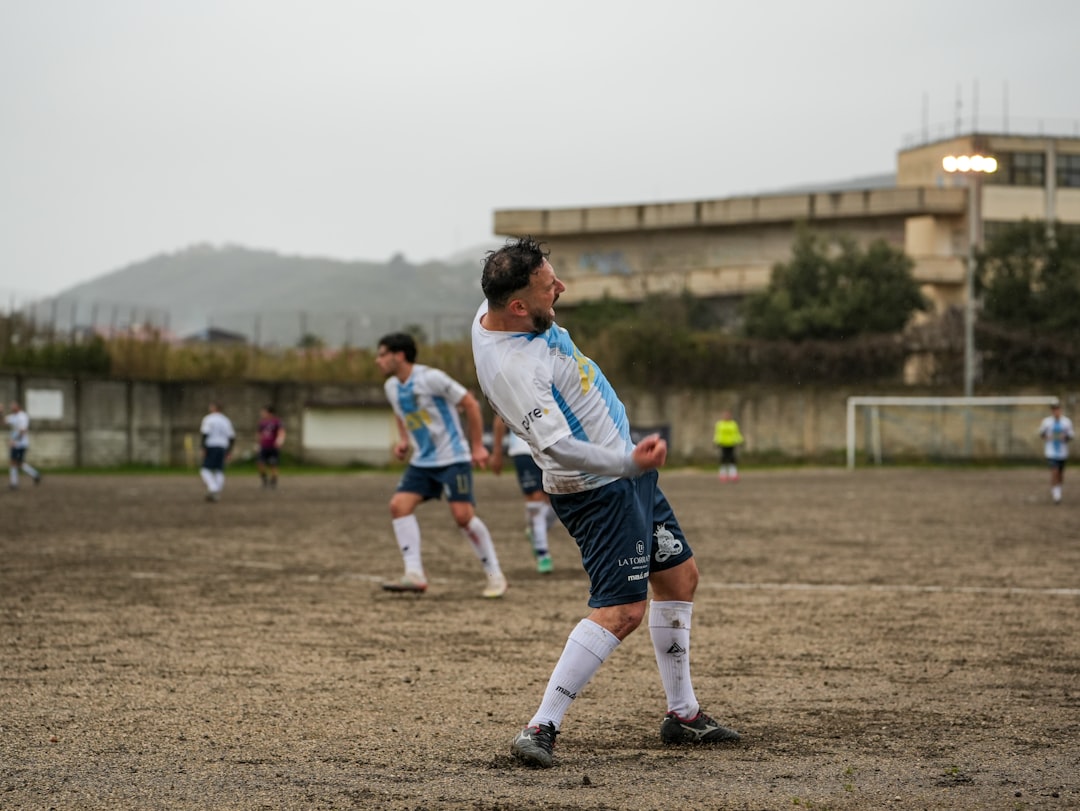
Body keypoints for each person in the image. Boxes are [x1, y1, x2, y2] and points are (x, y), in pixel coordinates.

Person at [471, 237, 739, 769]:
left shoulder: (496, 307)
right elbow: (557, 447)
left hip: (627, 474)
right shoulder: (512, 370)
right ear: (518, 305)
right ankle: (540, 726)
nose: (561, 289)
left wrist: (633, 466)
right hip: (598, 487)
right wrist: (628, 464)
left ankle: (682, 715)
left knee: (680, 578)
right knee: (621, 610)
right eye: (551, 286)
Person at [375, 332, 507, 598]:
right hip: (423, 461)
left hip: (453, 458)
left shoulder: (431, 378)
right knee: (398, 506)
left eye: (382, 354)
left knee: (463, 517)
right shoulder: (391, 387)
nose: (377, 361)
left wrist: (478, 446)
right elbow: (401, 413)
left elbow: (469, 403)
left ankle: (495, 574)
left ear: (399, 356)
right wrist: (403, 440)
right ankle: (414, 574)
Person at [491, 415, 557, 573]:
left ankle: (535, 532)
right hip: (523, 450)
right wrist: (497, 451)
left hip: (551, 445)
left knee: (555, 497)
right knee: (535, 499)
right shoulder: (511, 390)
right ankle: (543, 554)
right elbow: (499, 418)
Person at [1038, 401, 1074, 504]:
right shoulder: (1047, 422)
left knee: (1061, 474)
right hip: (1051, 452)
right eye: (1054, 409)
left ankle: (1058, 488)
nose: (1055, 411)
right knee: (1055, 471)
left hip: (1063, 452)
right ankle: (1056, 494)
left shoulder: (1067, 422)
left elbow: (1071, 435)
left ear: (1060, 410)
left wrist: (1065, 437)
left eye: (1057, 409)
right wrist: (1046, 437)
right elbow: (1041, 434)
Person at [200, 402, 236, 502]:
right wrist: (229, 451)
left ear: (214, 408)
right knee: (219, 469)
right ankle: (216, 490)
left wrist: (203, 447)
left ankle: (213, 488)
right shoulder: (226, 420)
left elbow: (205, 434)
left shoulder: (209, 419)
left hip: (211, 446)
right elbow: (232, 437)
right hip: (223, 446)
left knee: (205, 469)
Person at [2, 401, 42, 490]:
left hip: (20, 444)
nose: (11, 407)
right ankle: (35, 474)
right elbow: (3, 422)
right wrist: (0, 412)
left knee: (14, 462)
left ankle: (14, 483)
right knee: (19, 463)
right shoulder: (13, 416)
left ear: (18, 406)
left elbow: (22, 431)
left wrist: (13, 440)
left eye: (13, 405)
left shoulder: (22, 416)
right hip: (16, 444)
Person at [256, 405, 286, 489]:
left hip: (273, 447)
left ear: (269, 413)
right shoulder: (262, 422)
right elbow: (259, 434)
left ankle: (273, 481)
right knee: (260, 463)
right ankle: (264, 479)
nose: (262, 413)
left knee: (273, 464)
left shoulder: (277, 422)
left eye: (264, 412)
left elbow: (281, 432)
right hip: (264, 446)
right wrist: (258, 444)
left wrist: (279, 441)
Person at [713, 410, 744, 482]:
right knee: (723, 459)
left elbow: (736, 433)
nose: (727, 416)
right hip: (723, 443)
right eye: (725, 415)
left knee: (732, 459)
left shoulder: (733, 424)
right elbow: (718, 433)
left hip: (731, 443)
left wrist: (740, 440)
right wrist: (716, 441)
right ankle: (722, 475)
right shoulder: (720, 424)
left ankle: (733, 474)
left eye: (728, 415)